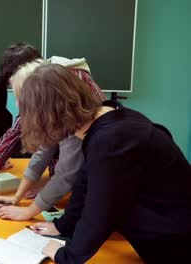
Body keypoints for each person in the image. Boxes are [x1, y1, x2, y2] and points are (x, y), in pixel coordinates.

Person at [20, 64, 191, 263]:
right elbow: (86, 183)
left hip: (177, 244)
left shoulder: (109, 140)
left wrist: (65, 255)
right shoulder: (108, 118)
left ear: (50, 114)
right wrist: (63, 226)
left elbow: (99, 211)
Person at [0, 42, 106, 220]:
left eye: (22, 97)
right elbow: (34, 143)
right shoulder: (44, 91)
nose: (18, 106)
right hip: (69, 182)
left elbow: (67, 171)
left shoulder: (74, 97)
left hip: (94, 182)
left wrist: (29, 211)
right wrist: (14, 195)